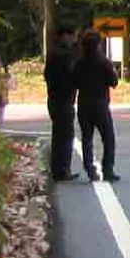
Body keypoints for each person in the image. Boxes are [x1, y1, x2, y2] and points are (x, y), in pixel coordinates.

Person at [73, 30, 121, 182]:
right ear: (98, 44)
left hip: (84, 104)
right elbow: (114, 82)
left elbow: (74, 82)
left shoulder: (79, 62)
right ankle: (108, 169)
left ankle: (90, 170)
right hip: (100, 104)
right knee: (108, 137)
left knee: (87, 138)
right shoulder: (103, 62)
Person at [44, 28, 78, 181]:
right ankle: (62, 170)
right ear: (65, 35)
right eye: (73, 36)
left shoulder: (53, 53)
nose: (74, 40)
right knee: (65, 135)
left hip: (54, 98)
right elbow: (72, 76)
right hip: (63, 100)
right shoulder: (63, 55)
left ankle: (59, 169)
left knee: (59, 135)